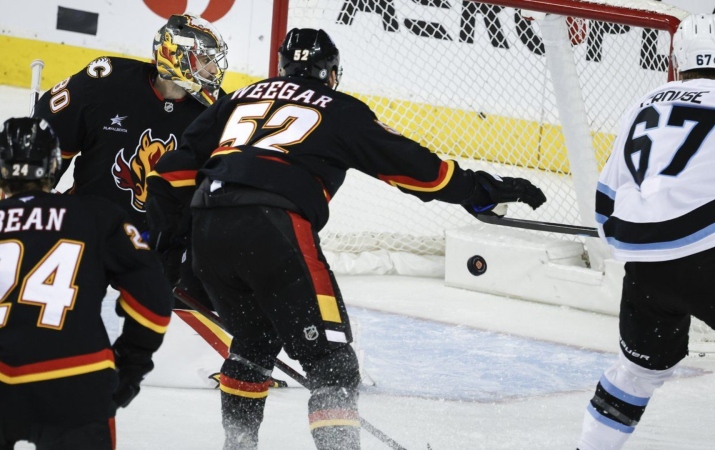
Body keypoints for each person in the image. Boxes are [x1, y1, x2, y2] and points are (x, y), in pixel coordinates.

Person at [152, 28, 546, 449]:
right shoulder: (341, 109)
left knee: (253, 344)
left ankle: (238, 446)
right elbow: (418, 169)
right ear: (332, 73)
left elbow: (172, 170)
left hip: (209, 225)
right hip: (272, 226)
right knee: (331, 363)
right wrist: (480, 192)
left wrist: (169, 248)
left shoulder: (240, 96)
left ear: (284, 66)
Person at [578, 13, 715, 450]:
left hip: (645, 269)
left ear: (675, 61)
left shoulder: (644, 103)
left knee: (636, 374)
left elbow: (605, 205)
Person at [0, 117, 172, 449]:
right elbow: (153, 302)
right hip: (73, 377)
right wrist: (132, 364)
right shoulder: (95, 215)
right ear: (53, 165)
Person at [32, 13, 228, 286]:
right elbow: (47, 136)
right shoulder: (105, 83)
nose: (213, 71)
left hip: (160, 247)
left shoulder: (216, 113)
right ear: (176, 56)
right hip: (86, 229)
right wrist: (32, 195)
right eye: (205, 60)